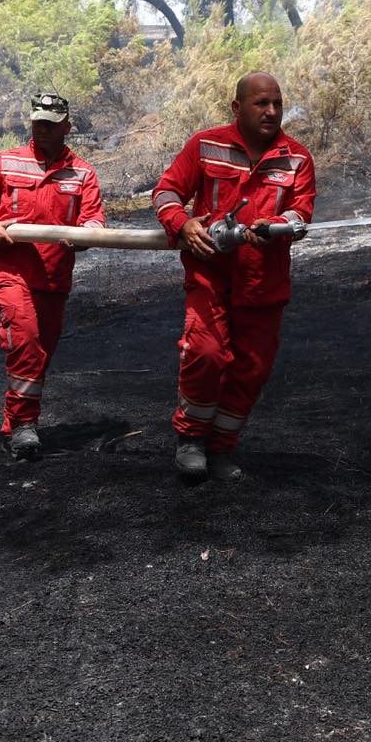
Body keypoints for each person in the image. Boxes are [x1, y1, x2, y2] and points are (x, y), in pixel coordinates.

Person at [152, 72, 316, 482]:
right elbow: (166, 191)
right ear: (237, 107)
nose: (271, 112)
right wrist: (182, 224)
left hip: (264, 283)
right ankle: (191, 441)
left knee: (252, 370)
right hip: (210, 276)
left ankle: (222, 447)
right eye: (261, 103)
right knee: (205, 354)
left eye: (277, 103)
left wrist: (276, 226)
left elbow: (301, 213)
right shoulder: (205, 145)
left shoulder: (296, 158)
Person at [0, 94, 104, 461]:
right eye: (38, 123)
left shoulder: (83, 173)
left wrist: (85, 236)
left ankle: (14, 422)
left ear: (67, 127)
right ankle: (24, 425)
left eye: (51, 124)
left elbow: (95, 220)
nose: (43, 130)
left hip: (54, 277)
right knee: (25, 339)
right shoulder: (7, 162)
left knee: (40, 353)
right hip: (11, 271)